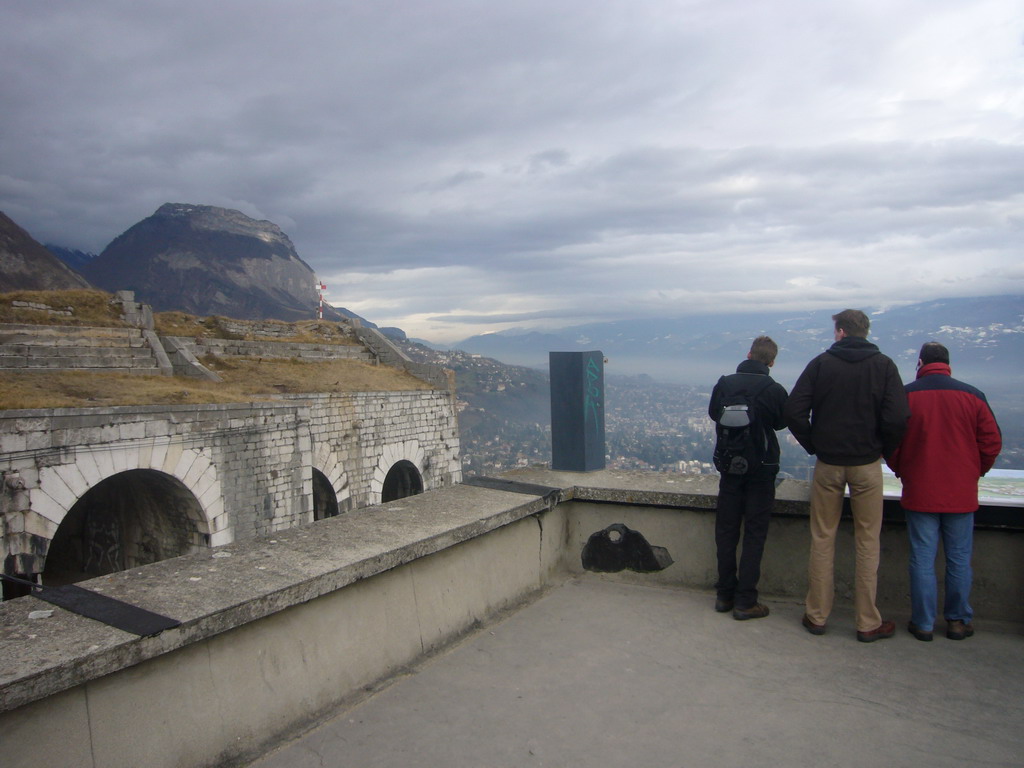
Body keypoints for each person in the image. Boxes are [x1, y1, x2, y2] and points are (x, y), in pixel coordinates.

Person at [784, 309, 909, 642]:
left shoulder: (821, 364)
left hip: (829, 462)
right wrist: (883, 448)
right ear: (865, 332)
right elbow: (898, 417)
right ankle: (867, 622)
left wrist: (815, 444)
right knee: (868, 540)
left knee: (823, 537)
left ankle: (817, 616)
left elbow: (794, 410)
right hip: (867, 464)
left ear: (840, 332)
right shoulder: (884, 366)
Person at [888, 342, 1001, 642]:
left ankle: (923, 623)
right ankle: (958, 621)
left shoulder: (907, 395)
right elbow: (991, 443)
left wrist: (903, 468)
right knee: (959, 559)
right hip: (961, 493)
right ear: (948, 364)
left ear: (921, 363)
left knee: (922, 558)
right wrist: (974, 471)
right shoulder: (973, 396)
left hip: (920, 489)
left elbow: (892, 440)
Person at [708, 336, 788, 620]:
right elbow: (781, 421)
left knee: (726, 531)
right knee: (754, 533)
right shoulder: (773, 389)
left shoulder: (725, 384)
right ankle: (745, 600)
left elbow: (713, 414)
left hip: (730, 468)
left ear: (748, 354)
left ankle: (724, 594)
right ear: (771, 362)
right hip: (762, 470)